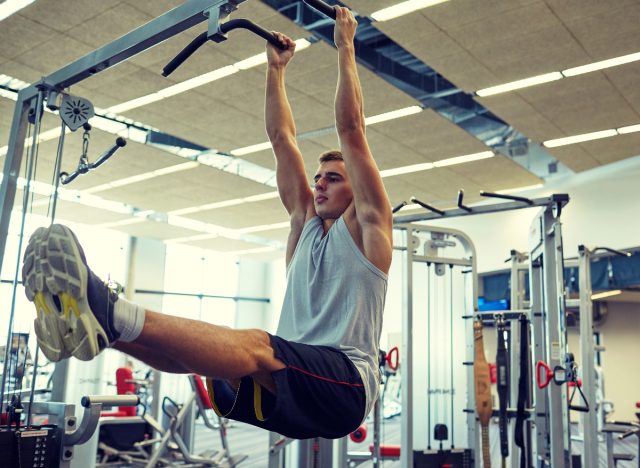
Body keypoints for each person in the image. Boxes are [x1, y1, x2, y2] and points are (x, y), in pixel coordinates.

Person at [22, 6, 392, 440]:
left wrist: (345, 44)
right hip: (290, 386)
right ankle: (107, 329)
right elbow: (281, 140)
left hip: (344, 388)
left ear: (356, 191)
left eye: (333, 178)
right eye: (317, 178)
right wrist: (275, 70)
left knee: (256, 344)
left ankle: (110, 309)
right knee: (211, 359)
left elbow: (351, 131)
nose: (320, 185)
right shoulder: (305, 225)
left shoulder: (369, 230)